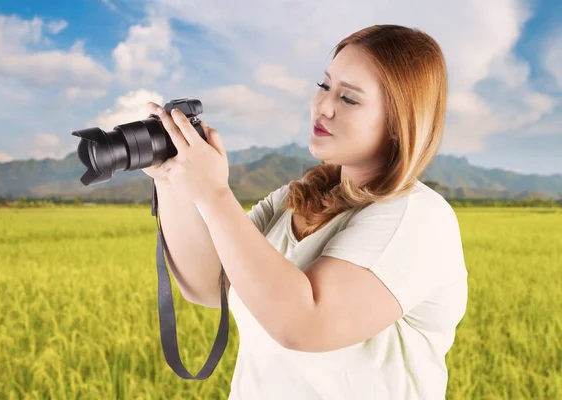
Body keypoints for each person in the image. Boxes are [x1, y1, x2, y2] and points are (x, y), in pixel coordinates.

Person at [146, 24, 468, 400]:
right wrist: (171, 179)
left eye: (349, 99)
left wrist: (215, 193)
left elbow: (304, 323)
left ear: (400, 123)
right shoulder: (293, 198)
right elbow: (207, 285)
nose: (323, 105)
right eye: (324, 85)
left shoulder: (417, 218)